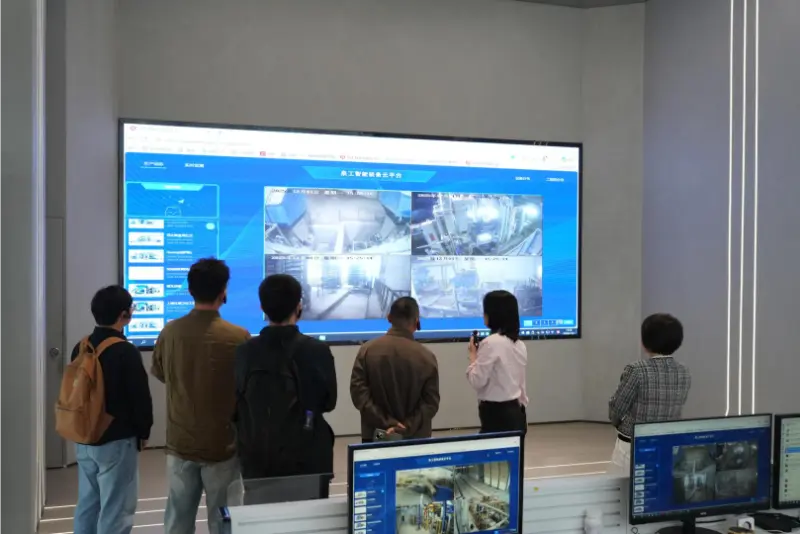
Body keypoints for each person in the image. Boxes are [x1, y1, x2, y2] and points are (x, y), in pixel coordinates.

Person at [151, 258, 250, 534]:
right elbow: (246, 387)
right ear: (223, 291)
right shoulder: (239, 336)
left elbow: (161, 372)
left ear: (190, 290)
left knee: (178, 521)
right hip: (223, 445)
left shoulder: (170, 332)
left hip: (181, 442)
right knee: (225, 522)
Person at [234, 274, 337, 481]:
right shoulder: (316, 350)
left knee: (262, 503)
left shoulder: (245, 352)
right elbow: (328, 402)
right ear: (299, 306)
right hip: (307, 458)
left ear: (262, 308)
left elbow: (236, 402)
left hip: (258, 458)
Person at [72, 286, 153, 534]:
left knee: (88, 503)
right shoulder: (125, 351)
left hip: (84, 436)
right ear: (124, 314)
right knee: (116, 509)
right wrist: (144, 432)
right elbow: (139, 397)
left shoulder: (81, 346)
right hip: (116, 440)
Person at [608, 313, 691, 474]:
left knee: (620, 486)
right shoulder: (684, 371)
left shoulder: (636, 370)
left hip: (632, 443)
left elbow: (617, 407)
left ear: (645, 342)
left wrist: (618, 423)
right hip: (666, 442)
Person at [350, 296, 440, 442]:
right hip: (415, 439)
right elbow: (430, 403)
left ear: (389, 318)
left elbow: (359, 394)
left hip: (377, 435)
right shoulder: (427, 357)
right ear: (417, 322)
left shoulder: (366, 351)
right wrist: (406, 427)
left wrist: (386, 422)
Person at [466, 290, 528, 434]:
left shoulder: (491, 343)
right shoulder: (520, 344)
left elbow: (477, 380)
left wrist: (473, 356)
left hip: (496, 414)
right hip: (516, 412)